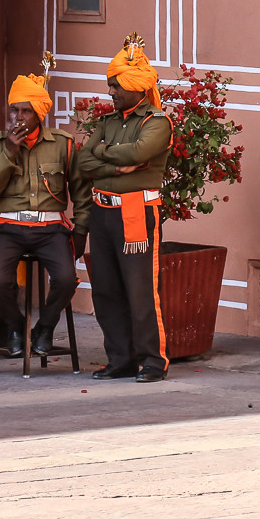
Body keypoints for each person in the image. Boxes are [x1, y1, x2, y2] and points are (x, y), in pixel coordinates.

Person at [0, 59, 91, 359]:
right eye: (14, 110)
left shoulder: (62, 144)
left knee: (67, 280)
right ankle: (16, 328)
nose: (18, 117)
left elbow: (81, 191)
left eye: (25, 111)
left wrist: (80, 231)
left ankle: (45, 328)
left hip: (50, 229)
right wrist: (9, 154)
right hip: (10, 229)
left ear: (38, 114)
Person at [77, 33, 173, 382]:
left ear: (137, 87)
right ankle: (120, 359)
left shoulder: (156, 123)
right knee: (105, 289)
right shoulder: (106, 122)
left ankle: (152, 361)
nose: (111, 92)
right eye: (110, 85)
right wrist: (114, 164)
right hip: (102, 213)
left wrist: (101, 153)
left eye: (116, 86)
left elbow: (138, 153)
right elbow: (83, 162)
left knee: (140, 290)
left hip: (136, 212)